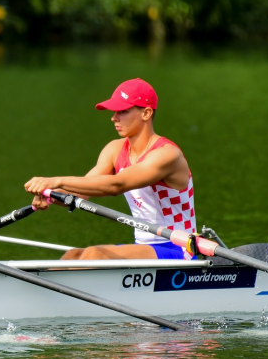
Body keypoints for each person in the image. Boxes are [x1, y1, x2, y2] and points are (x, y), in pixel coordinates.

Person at [23, 78, 196, 260]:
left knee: (94, 254)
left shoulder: (167, 155)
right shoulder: (115, 149)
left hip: (180, 248)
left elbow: (117, 185)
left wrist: (56, 180)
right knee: (72, 255)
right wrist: (49, 194)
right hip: (144, 248)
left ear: (146, 113)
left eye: (123, 111)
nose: (114, 118)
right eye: (114, 112)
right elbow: (81, 193)